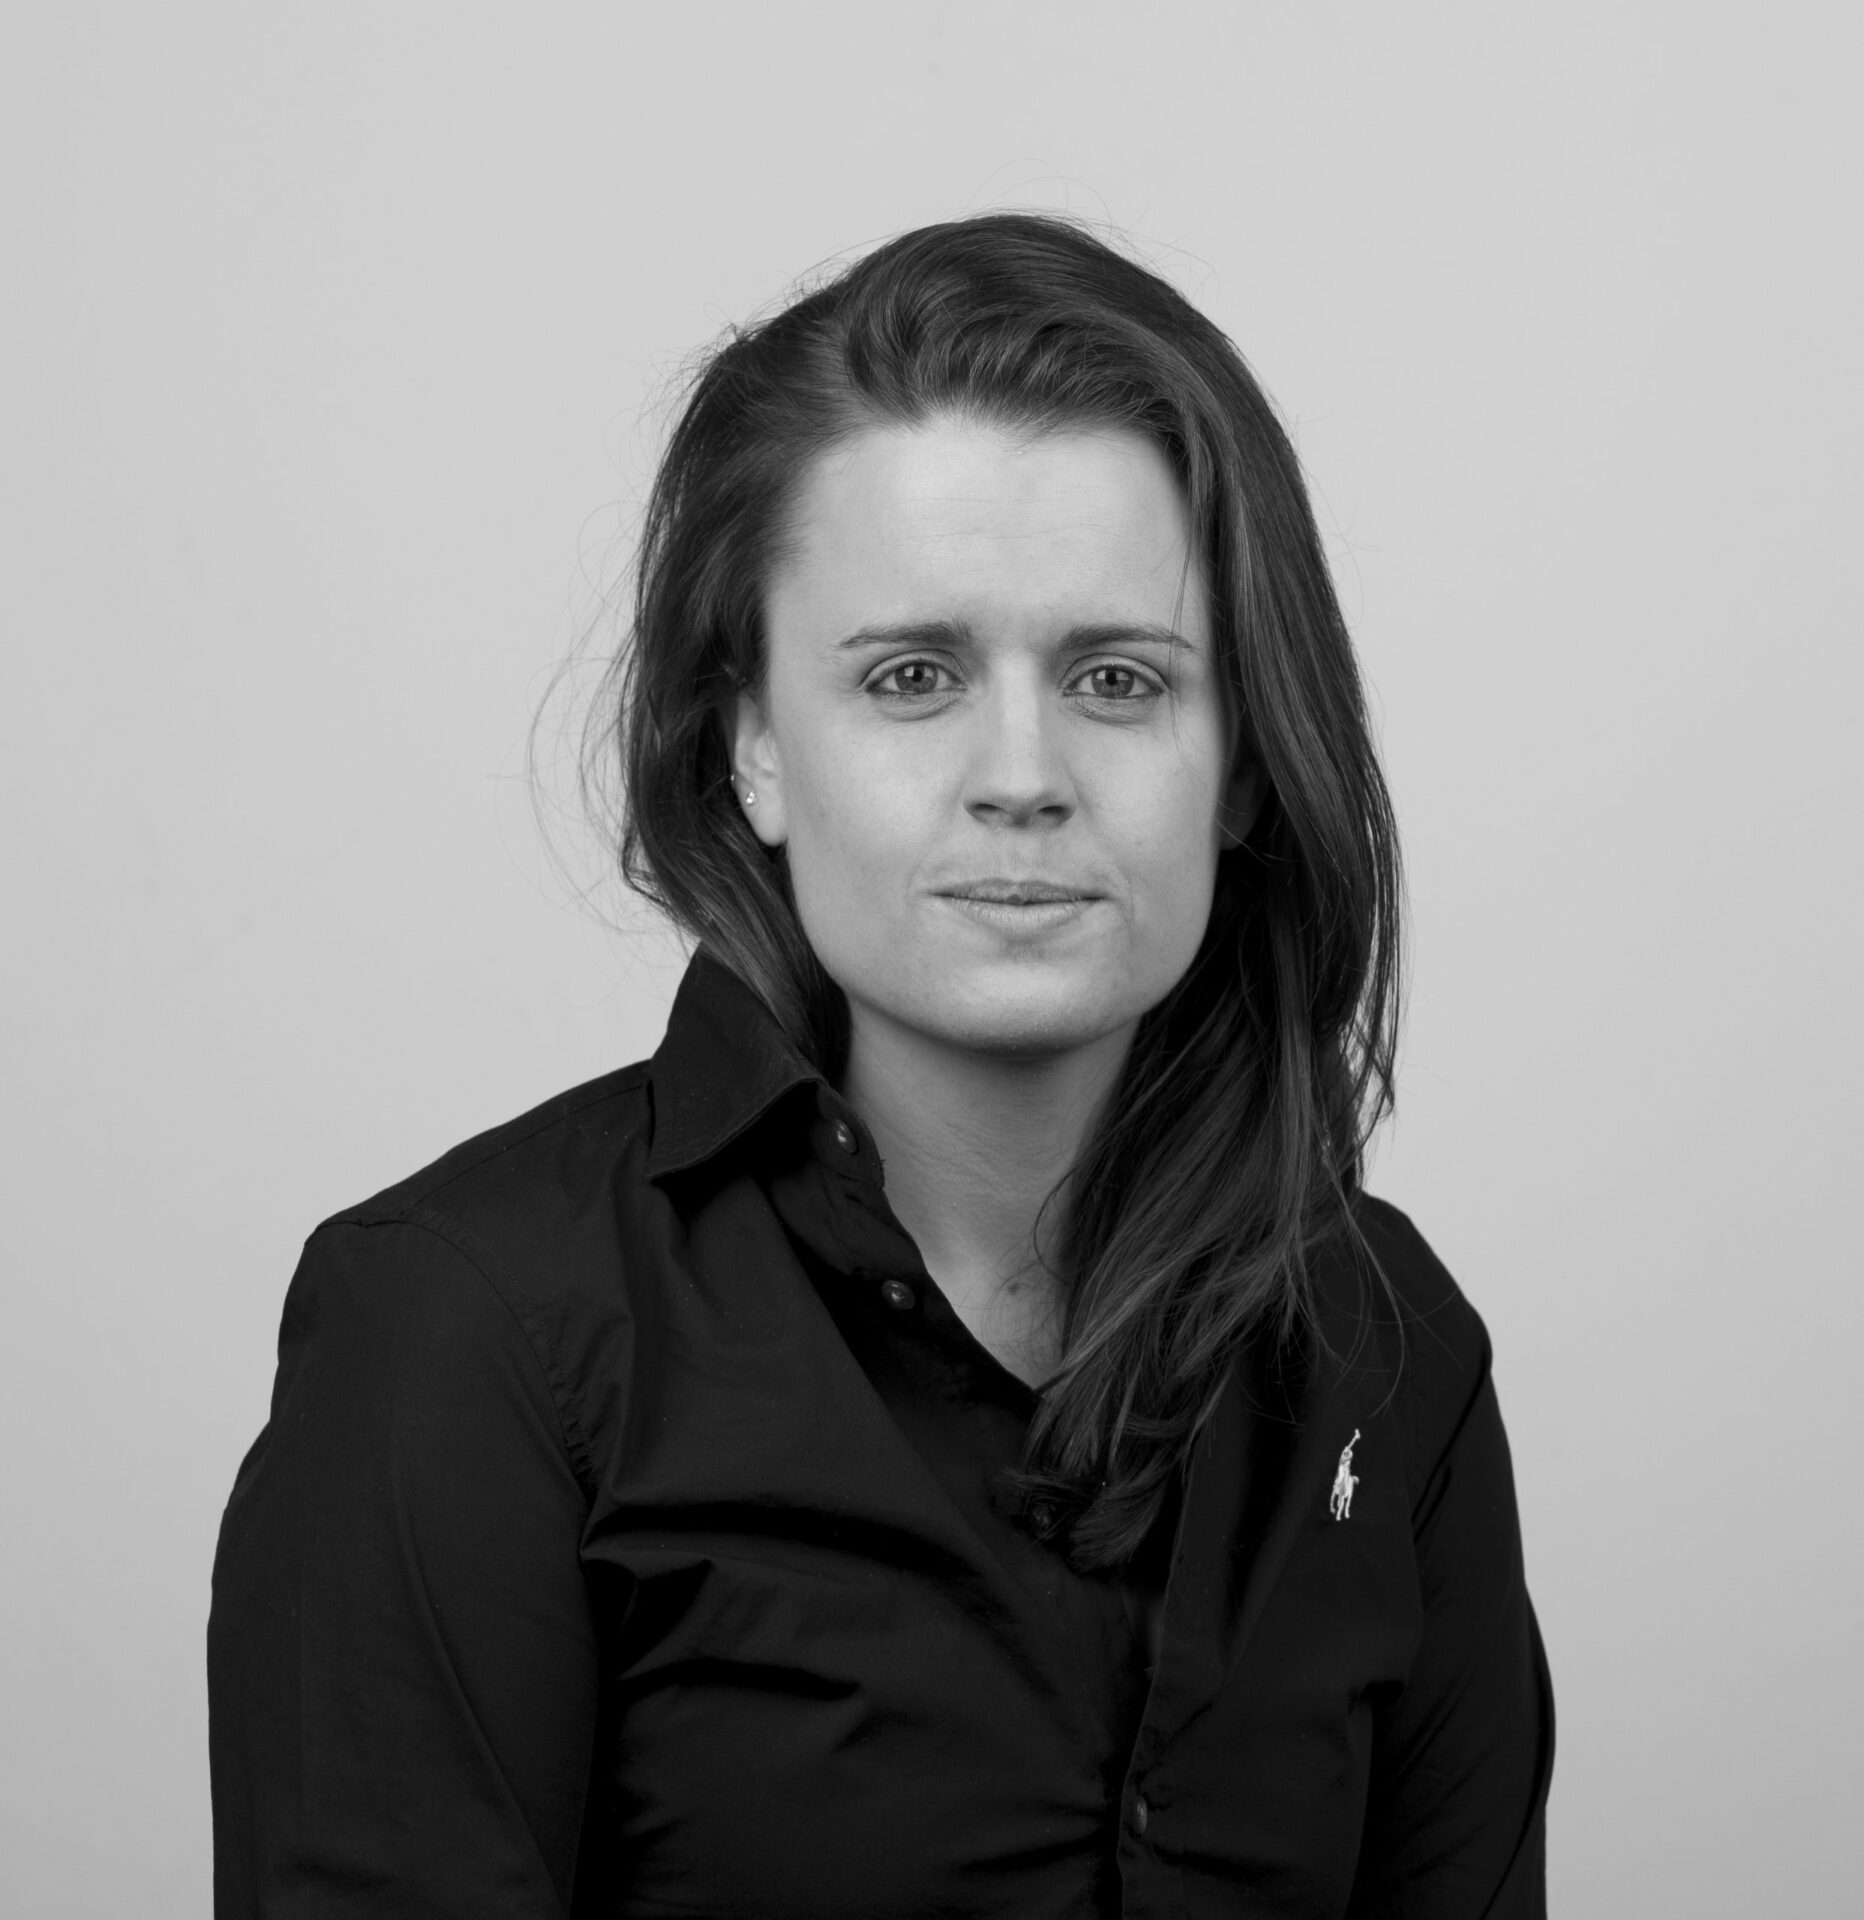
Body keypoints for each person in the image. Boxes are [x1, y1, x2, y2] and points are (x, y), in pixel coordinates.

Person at [208, 212, 1553, 1918]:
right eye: (912, 676)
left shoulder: (1389, 1346)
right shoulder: (469, 1336)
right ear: (755, 747)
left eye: (1119, 678)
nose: (1023, 774)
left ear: (1238, 766)